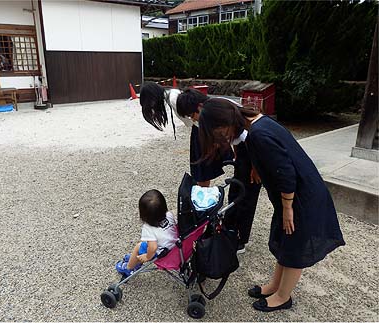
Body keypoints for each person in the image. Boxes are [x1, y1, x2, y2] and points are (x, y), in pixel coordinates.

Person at [197, 98, 345, 312]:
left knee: (294, 244)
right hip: (295, 193)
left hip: (301, 197)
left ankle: (283, 297)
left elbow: (286, 173)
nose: (219, 137)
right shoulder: (256, 122)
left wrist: (287, 208)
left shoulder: (259, 134)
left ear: (223, 124)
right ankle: (276, 286)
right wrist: (257, 166)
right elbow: (271, 156)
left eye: (216, 132)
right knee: (285, 239)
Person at [176, 89, 261, 253]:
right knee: (236, 191)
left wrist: (256, 168)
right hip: (244, 151)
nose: (192, 119)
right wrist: (236, 156)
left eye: (192, 114)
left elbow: (250, 137)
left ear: (199, 107)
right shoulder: (211, 111)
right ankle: (230, 229)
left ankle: (241, 240)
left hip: (255, 152)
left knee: (247, 195)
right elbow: (235, 139)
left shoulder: (217, 112)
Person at [140, 82, 232, 187]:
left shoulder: (173, 99)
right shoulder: (172, 93)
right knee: (202, 169)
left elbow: (191, 118)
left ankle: (203, 194)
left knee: (202, 170)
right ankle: (204, 191)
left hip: (201, 128)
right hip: (199, 128)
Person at [115, 189, 178, 276]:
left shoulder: (148, 228)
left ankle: (128, 268)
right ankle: (134, 259)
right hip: (176, 248)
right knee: (144, 244)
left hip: (163, 253)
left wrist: (147, 257)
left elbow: (153, 247)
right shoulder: (169, 215)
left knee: (138, 247)